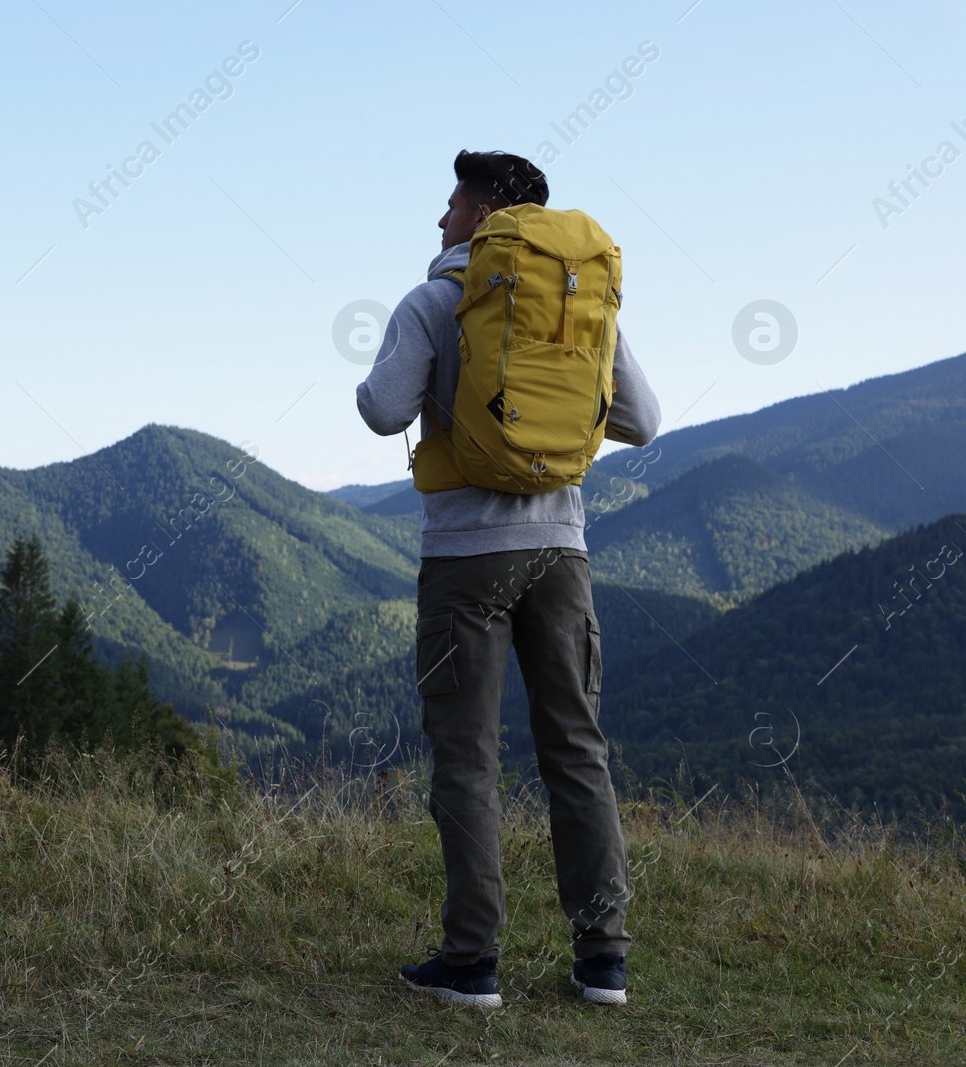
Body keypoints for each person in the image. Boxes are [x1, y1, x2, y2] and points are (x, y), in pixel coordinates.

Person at [355, 150, 661, 1008]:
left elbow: (384, 410)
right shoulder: (577, 297)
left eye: (452, 205)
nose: (442, 220)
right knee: (576, 747)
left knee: (467, 758)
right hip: (563, 552)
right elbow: (642, 418)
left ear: (485, 214)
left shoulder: (431, 300)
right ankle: (604, 957)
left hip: (465, 558)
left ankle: (472, 959)